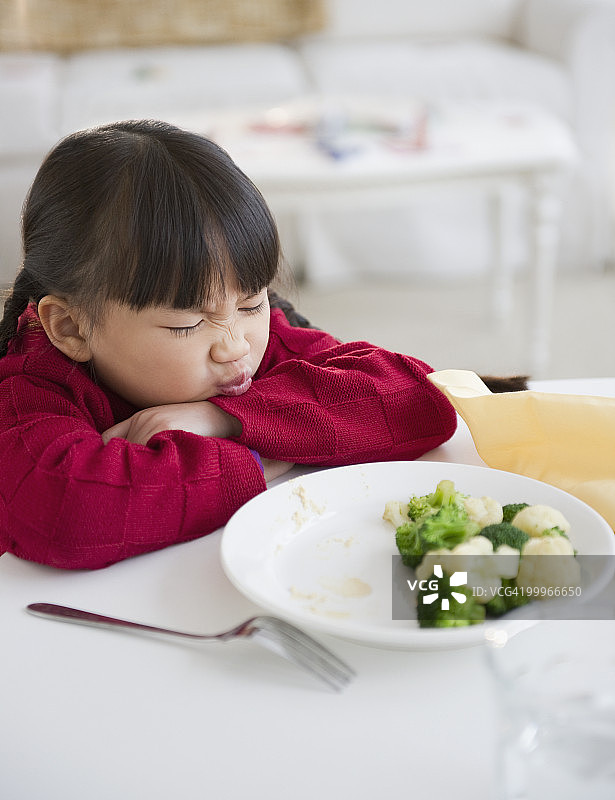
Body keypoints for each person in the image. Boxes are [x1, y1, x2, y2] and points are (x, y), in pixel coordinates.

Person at [0, 120, 457, 570]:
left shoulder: (258, 335)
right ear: (72, 328)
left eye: (253, 301)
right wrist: (266, 456)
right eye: (189, 324)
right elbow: (67, 513)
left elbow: (417, 397)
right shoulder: (26, 388)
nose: (235, 347)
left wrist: (222, 418)